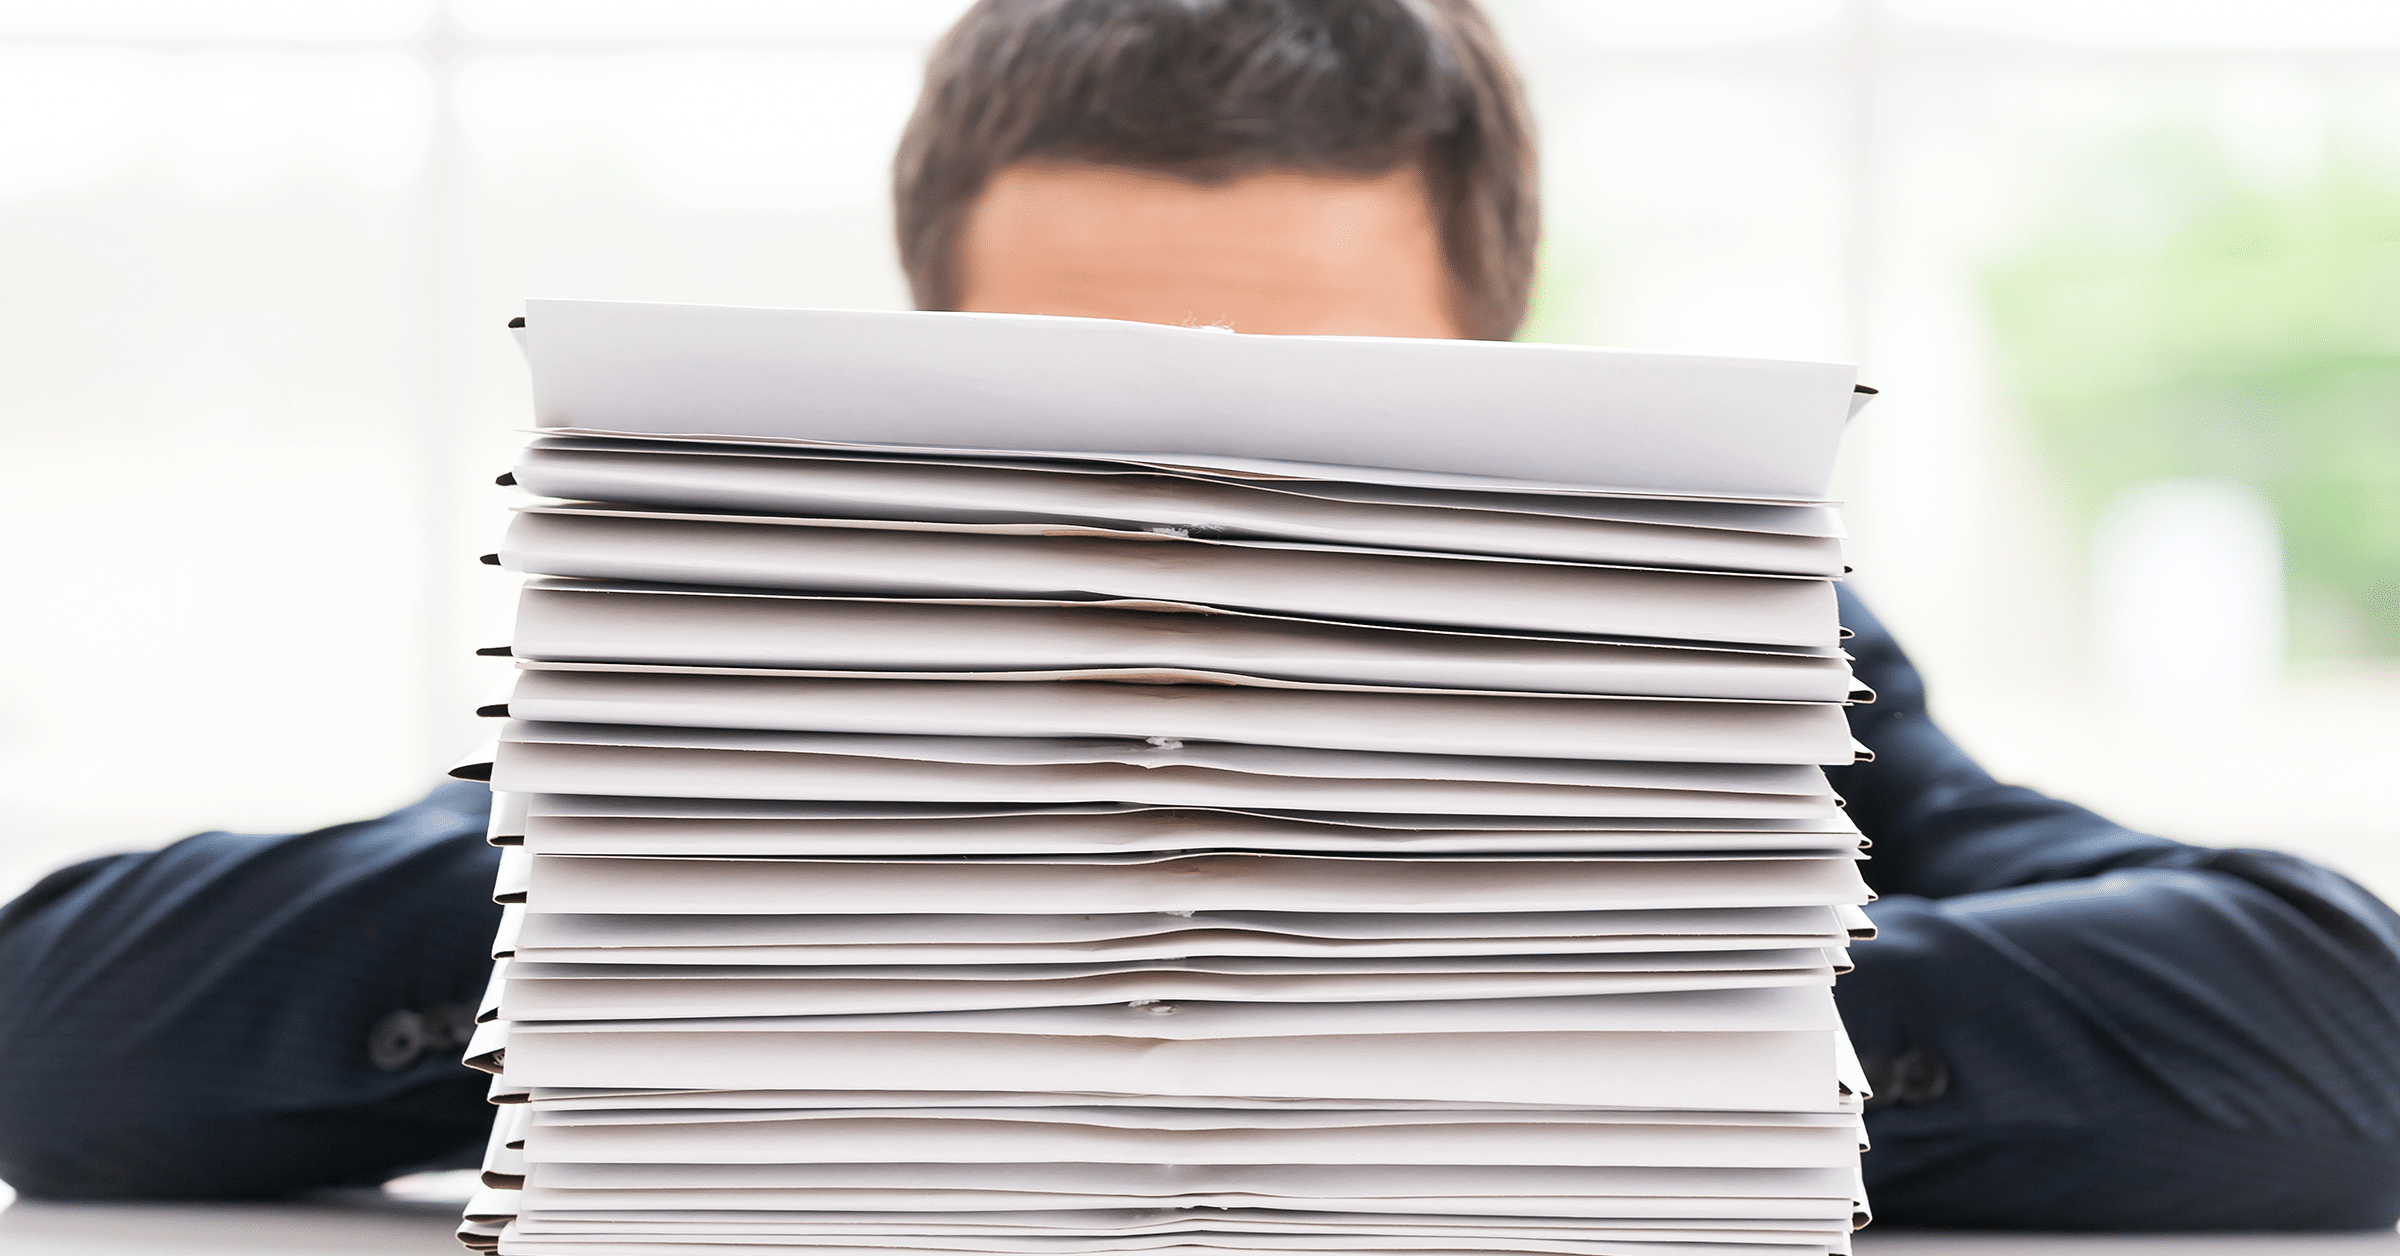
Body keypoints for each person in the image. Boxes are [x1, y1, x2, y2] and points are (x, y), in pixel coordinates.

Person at [4, 0, 2397, 1229]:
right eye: (1072, 418)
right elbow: (61, 1038)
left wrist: (1544, 1001)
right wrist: (771, 915)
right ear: (913, 382)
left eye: (1319, 430)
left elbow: (2342, 1030)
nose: (1187, 536)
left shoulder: (1720, 668)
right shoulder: (754, 693)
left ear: (1507, 392)